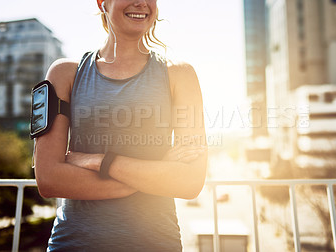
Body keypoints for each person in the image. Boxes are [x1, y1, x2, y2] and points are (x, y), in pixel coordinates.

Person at [33, 0, 208, 251]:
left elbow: (189, 182)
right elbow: (49, 179)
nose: (141, 3)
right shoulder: (64, 74)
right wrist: (156, 174)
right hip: (73, 244)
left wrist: (99, 161)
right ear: (103, 2)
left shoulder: (181, 75)